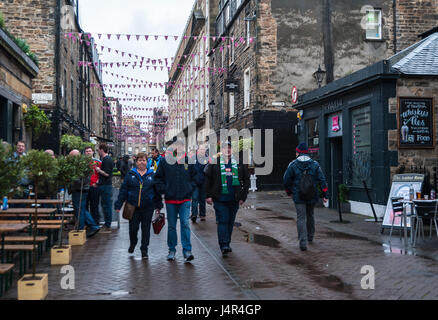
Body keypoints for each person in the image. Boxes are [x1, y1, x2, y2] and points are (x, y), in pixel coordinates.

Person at [154, 138, 200, 262]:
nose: (179, 148)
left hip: (185, 199)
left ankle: (187, 250)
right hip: (171, 200)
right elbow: (158, 178)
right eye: (177, 146)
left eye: (181, 146)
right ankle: (172, 250)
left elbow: (196, 177)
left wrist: (190, 188)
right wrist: (165, 190)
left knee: (185, 224)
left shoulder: (188, 161)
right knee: (172, 226)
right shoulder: (165, 161)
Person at [205, 140, 250, 256]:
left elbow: (246, 180)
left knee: (230, 222)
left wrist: (243, 196)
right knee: (223, 221)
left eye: (229, 147)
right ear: (221, 150)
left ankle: (227, 243)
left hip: (234, 199)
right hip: (220, 198)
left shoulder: (239, 163)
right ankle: (223, 244)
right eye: (225, 148)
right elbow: (207, 180)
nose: (227, 150)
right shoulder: (215, 163)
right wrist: (208, 196)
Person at [115, 153, 163, 259]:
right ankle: (133, 243)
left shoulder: (152, 175)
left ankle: (144, 250)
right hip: (133, 207)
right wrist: (118, 204)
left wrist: (158, 206)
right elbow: (123, 190)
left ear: (147, 162)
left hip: (148, 207)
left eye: (144, 160)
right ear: (136, 162)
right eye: (140, 160)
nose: (142, 162)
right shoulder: (130, 174)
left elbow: (157, 192)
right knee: (133, 229)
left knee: (146, 229)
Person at [283, 143, 328, 251]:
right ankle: (310, 236)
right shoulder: (315, 164)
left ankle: (303, 242)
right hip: (312, 194)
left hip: (298, 195)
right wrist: (325, 194)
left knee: (301, 218)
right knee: (310, 215)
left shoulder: (293, 164)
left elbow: (286, 179)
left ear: (298, 152)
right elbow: (322, 180)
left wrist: (289, 191)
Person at [68, 150, 100, 238]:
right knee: (82, 209)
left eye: (71, 157)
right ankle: (91, 226)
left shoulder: (80, 165)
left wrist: (71, 180)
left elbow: (80, 180)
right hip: (82, 189)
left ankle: (83, 228)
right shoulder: (83, 164)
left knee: (80, 210)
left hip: (80, 190)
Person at [96, 143, 113, 232]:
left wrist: (99, 170)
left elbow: (107, 174)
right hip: (105, 185)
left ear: (102, 149)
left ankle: (107, 225)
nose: (97, 151)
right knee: (105, 205)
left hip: (106, 186)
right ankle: (107, 223)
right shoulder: (106, 159)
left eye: (98, 149)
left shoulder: (106, 159)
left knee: (106, 206)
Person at [190, 144, 208, 223]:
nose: (202, 151)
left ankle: (202, 215)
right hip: (195, 182)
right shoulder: (193, 158)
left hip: (203, 182)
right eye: (201, 149)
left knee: (202, 199)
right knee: (194, 198)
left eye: (203, 150)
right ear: (198, 150)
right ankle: (194, 214)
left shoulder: (207, 159)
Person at [85, 146, 101, 224]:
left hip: (94, 187)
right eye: (87, 151)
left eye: (89, 151)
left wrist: (97, 183)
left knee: (94, 206)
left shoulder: (98, 162)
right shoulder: (82, 162)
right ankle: (88, 223)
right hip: (85, 187)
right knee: (85, 206)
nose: (88, 152)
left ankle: (95, 223)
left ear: (93, 152)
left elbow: (101, 174)